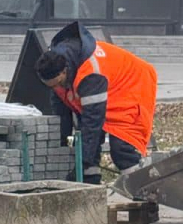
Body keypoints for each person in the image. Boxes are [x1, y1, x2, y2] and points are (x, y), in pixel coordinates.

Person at [35, 22, 157, 185]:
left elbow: (93, 122)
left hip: (131, 86)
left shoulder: (91, 74)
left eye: (57, 83)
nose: (56, 88)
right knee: (84, 142)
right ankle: (89, 181)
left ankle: (143, 188)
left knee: (121, 147)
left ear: (64, 71)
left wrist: (82, 161)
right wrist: (64, 143)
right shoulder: (56, 68)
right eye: (51, 86)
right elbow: (62, 112)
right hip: (108, 84)